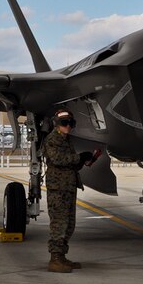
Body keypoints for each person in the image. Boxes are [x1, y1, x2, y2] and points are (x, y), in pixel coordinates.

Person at [42, 108, 96, 273]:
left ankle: (62, 257)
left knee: (69, 224)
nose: (68, 127)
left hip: (68, 186)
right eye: (64, 123)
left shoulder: (66, 140)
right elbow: (57, 159)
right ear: (57, 125)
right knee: (59, 223)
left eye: (70, 124)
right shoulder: (52, 139)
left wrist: (85, 159)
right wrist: (79, 157)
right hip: (58, 188)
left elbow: (70, 163)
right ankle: (55, 259)